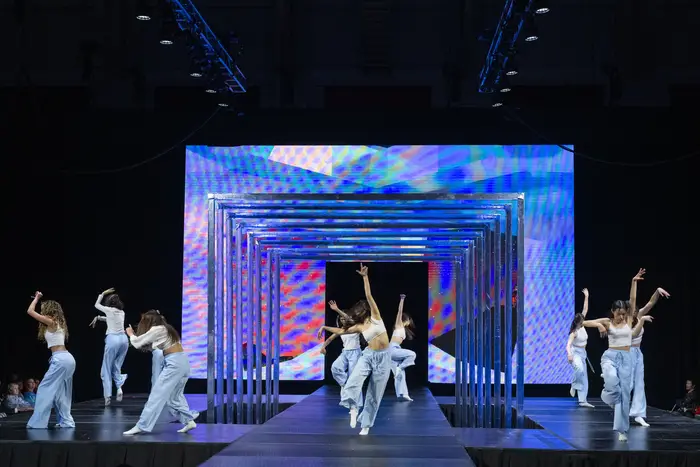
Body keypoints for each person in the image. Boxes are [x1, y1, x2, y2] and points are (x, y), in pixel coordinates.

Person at [317, 264, 391, 436]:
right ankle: (352, 406)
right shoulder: (358, 326)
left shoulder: (375, 317)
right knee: (353, 380)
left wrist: (365, 277)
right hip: (368, 355)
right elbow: (341, 331)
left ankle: (365, 424)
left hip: (383, 357)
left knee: (375, 392)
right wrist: (324, 327)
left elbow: (369, 295)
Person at [584, 269, 653, 441]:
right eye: (619, 313)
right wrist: (599, 326)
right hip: (610, 356)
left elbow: (633, 300)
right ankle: (606, 394)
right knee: (612, 381)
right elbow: (583, 322)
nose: (622, 316)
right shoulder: (607, 322)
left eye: (624, 313)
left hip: (627, 358)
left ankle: (622, 430)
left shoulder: (629, 320)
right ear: (613, 311)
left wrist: (634, 281)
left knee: (624, 396)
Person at [123, 310, 199, 435]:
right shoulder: (167, 329)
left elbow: (136, 343)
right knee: (174, 397)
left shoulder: (157, 329)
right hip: (182, 361)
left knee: (156, 395)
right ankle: (189, 421)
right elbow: (149, 345)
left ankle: (142, 425)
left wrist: (131, 334)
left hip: (174, 363)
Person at [26, 292, 76, 429]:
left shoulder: (52, 322)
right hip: (66, 359)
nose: (42, 312)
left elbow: (30, 311)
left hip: (61, 359)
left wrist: (36, 298)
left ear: (49, 310)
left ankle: (38, 423)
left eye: (44, 309)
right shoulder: (59, 323)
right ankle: (67, 421)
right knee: (61, 393)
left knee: (43, 389)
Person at [627, 286, 671, 427]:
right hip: (627, 353)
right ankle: (615, 401)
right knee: (629, 384)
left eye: (635, 310)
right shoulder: (625, 320)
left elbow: (650, 303)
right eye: (632, 309)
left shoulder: (639, 315)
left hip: (638, 353)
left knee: (640, 384)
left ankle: (639, 414)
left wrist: (657, 291)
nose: (634, 311)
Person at [90, 288, 129, 405]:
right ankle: (119, 388)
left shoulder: (109, 310)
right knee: (117, 366)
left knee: (106, 368)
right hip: (124, 339)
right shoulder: (122, 312)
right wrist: (99, 318)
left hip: (113, 339)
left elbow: (96, 304)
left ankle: (107, 396)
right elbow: (112, 320)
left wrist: (102, 294)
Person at [321, 301, 363, 405]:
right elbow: (330, 339)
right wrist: (323, 347)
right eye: (341, 319)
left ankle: (355, 404)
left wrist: (337, 309)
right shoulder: (341, 330)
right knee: (335, 368)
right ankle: (346, 384)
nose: (343, 320)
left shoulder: (355, 326)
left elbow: (349, 319)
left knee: (354, 377)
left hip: (355, 353)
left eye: (344, 318)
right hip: (345, 353)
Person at [566, 288, 603, 408]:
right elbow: (568, 345)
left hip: (583, 353)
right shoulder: (574, 332)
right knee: (580, 371)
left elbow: (585, 309)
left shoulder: (582, 326)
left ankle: (583, 400)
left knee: (584, 377)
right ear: (578, 322)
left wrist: (586, 296)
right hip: (575, 352)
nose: (584, 321)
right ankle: (574, 385)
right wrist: (569, 355)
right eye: (582, 321)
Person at [390, 294, 416, 402]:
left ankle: (403, 394)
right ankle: (400, 367)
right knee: (412, 354)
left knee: (399, 374)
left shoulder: (403, 329)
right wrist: (402, 299)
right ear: (407, 319)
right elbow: (399, 312)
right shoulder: (399, 325)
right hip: (392, 349)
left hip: (393, 351)